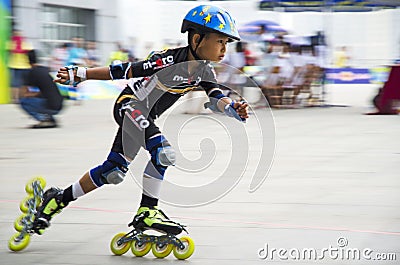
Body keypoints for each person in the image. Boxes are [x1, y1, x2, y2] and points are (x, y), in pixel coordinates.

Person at [32, 5, 249, 237]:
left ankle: (57, 199)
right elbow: (125, 70)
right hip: (129, 106)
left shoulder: (204, 72)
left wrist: (233, 108)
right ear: (197, 39)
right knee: (163, 153)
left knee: (112, 171)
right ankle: (147, 211)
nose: (224, 49)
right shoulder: (168, 59)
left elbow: (216, 96)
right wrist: (82, 74)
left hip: (144, 117)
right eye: (220, 41)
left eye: (226, 43)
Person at [19, 50, 63, 128]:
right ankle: (50, 119)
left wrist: (30, 95)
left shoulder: (32, 72)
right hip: (59, 104)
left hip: (51, 105)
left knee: (23, 101)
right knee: (40, 97)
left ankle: (44, 120)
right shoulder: (44, 70)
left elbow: (24, 94)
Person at [7, 29, 32, 103]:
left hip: (23, 66)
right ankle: (15, 98)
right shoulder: (12, 42)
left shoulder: (23, 42)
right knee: (15, 83)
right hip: (15, 65)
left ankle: (20, 97)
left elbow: (29, 51)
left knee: (23, 83)